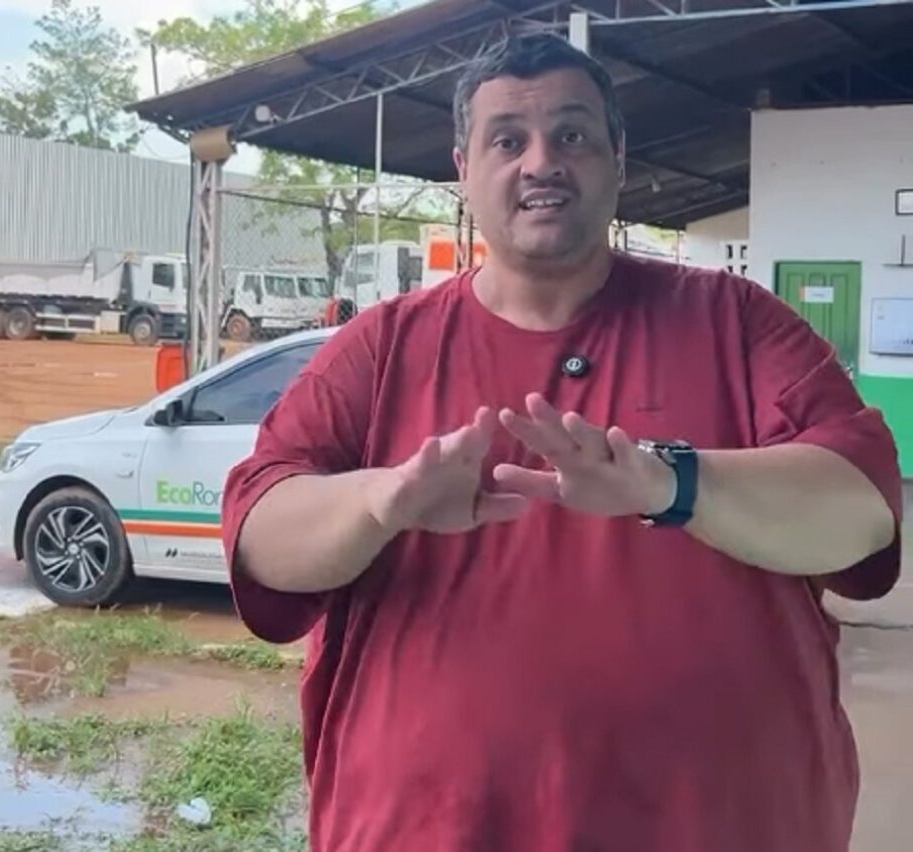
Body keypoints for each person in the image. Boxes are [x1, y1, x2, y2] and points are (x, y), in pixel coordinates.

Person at [221, 33, 902, 852]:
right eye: (507, 140)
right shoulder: (380, 348)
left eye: (571, 135)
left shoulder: (737, 322)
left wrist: (669, 485)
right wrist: (381, 501)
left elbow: (862, 513)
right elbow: (261, 537)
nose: (541, 162)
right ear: (463, 171)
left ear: (618, 158)